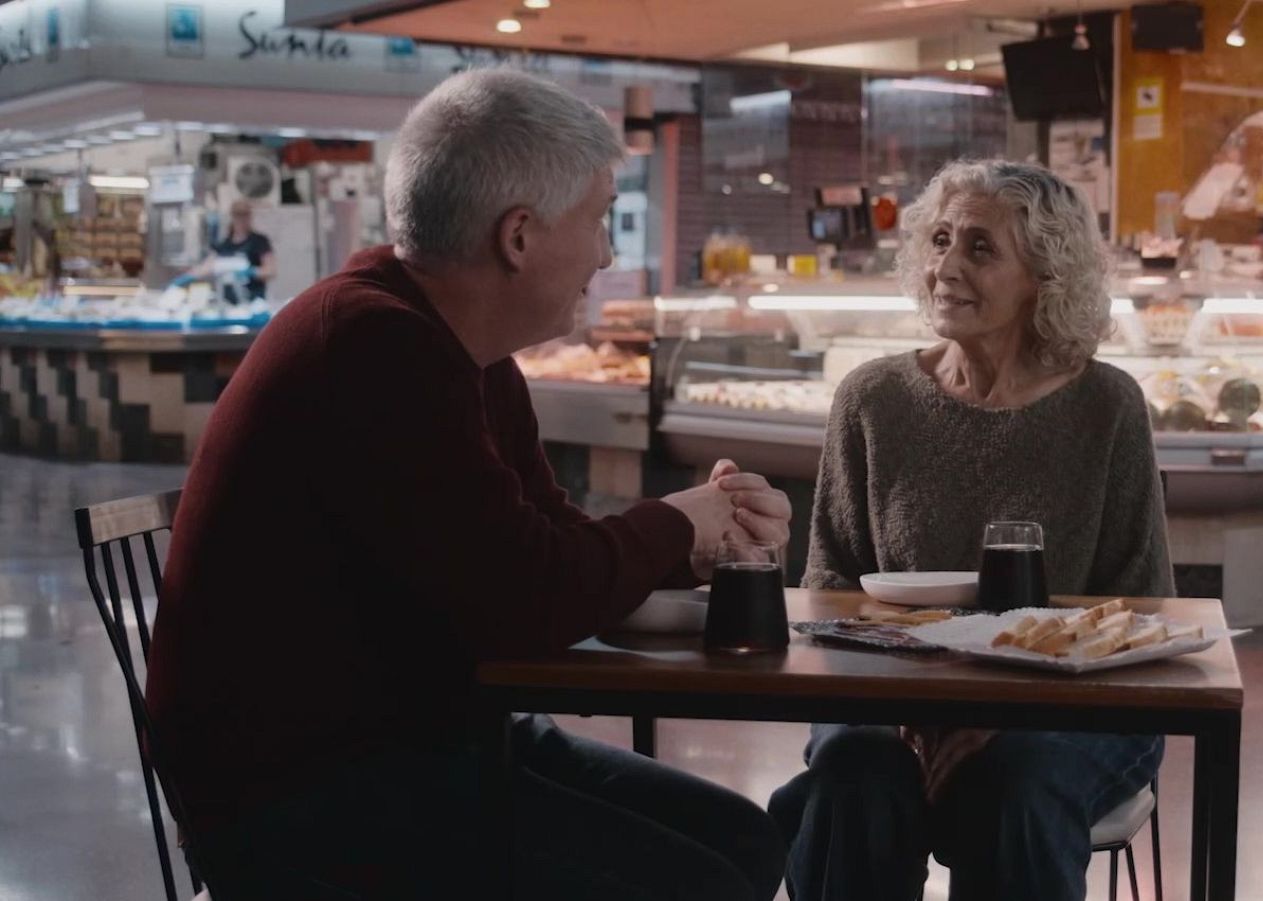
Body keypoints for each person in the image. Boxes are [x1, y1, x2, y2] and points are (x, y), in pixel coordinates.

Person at [145, 69, 790, 901]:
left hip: (421, 739)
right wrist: (676, 525)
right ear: (518, 236)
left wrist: (700, 540)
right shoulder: (373, 348)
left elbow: (539, 546)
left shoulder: (461, 354)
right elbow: (528, 598)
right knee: (701, 882)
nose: (607, 253)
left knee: (743, 837)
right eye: (598, 220)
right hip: (306, 792)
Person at [767, 160, 1170, 901]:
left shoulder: (1107, 406)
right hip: (886, 698)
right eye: (941, 240)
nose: (945, 267)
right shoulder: (872, 399)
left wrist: (1003, 714)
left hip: (1075, 706)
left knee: (1018, 782)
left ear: (1044, 275)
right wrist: (902, 710)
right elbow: (829, 590)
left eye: (980, 248)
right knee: (855, 776)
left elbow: (1140, 615)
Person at [174, 198, 277, 302]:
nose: (241, 219)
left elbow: (270, 271)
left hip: (254, 301)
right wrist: (185, 278)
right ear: (232, 216)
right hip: (228, 302)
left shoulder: (259, 241)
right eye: (238, 215)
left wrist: (251, 272)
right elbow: (206, 267)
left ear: (250, 216)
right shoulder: (224, 245)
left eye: (244, 215)